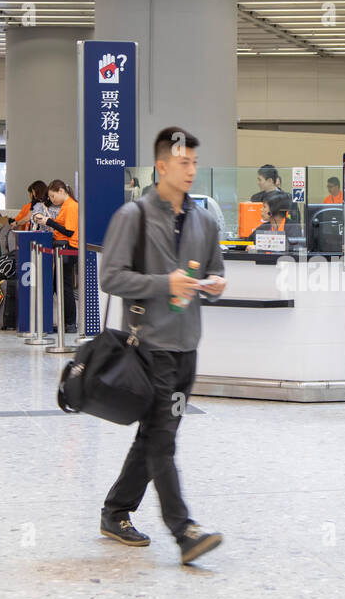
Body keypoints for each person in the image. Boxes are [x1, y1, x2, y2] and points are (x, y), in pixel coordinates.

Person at [98, 126, 227, 565]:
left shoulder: (205, 220)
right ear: (162, 165)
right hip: (148, 346)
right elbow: (110, 277)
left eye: (194, 162)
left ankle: (115, 511)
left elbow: (215, 272)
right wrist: (162, 283)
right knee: (162, 437)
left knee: (156, 433)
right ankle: (184, 529)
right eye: (183, 163)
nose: (190, 170)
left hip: (186, 345)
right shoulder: (132, 216)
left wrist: (214, 285)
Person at [40, 180, 80, 333]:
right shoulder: (67, 206)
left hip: (69, 247)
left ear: (62, 191)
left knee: (64, 286)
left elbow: (68, 231)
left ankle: (70, 323)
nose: (51, 199)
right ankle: (67, 322)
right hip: (64, 247)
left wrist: (49, 221)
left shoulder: (71, 206)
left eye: (53, 195)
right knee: (60, 284)